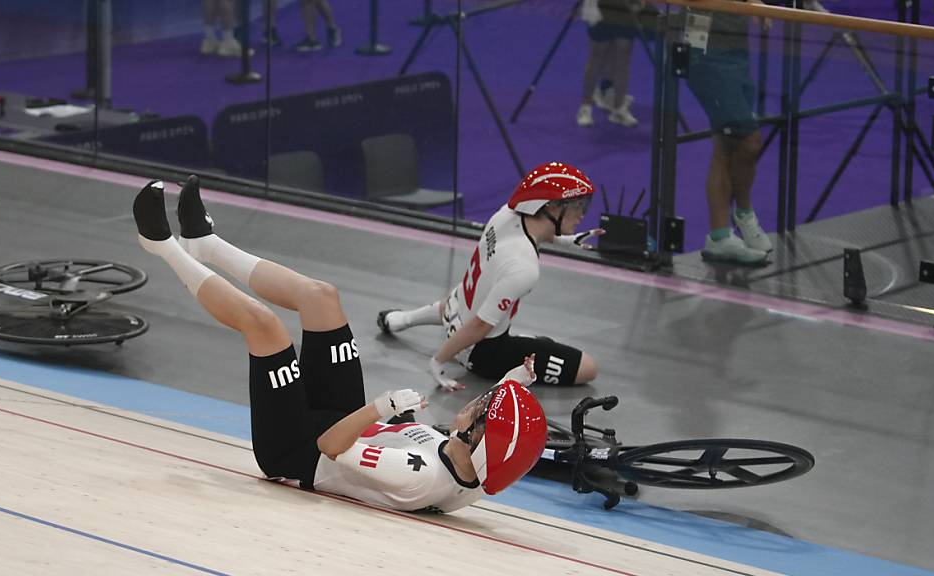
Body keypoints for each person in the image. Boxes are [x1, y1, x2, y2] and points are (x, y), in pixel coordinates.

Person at [132, 176, 547, 512]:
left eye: (481, 410)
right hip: (346, 422)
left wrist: (382, 406)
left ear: (476, 437)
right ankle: (206, 245)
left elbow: (330, 447)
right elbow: (498, 448)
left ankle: (162, 246)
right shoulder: (475, 468)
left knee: (264, 325)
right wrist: (512, 384)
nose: (474, 403)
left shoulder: (414, 476)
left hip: (299, 450)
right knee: (322, 297)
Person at [377, 161, 603, 391]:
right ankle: (510, 346)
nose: (582, 214)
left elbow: (535, 231)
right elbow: (482, 325)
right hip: (484, 354)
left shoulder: (505, 215)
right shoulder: (524, 267)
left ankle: (400, 319)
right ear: (552, 207)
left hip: (454, 312)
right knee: (588, 368)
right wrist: (438, 360)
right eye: (578, 206)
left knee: (475, 291)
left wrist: (564, 240)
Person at [683, 0, 774, 264]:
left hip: (736, 50)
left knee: (725, 145)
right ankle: (744, 213)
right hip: (705, 53)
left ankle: (720, 236)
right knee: (749, 141)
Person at [577, 0, 644, 128]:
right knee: (597, 55)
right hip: (600, 10)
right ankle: (586, 106)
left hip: (626, 11)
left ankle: (619, 108)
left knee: (623, 55)